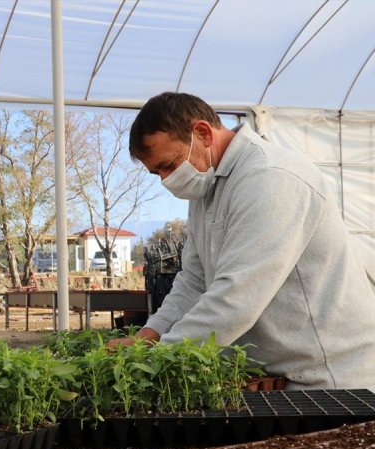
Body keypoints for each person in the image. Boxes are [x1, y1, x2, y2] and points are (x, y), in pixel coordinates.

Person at [109, 92, 374, 390]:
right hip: (279, 378)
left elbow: (238, 297)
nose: (166, 180)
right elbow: (194, 281)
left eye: (169, 165)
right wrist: (150, 335)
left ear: (203, 133)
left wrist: (158, 358)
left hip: (330, 379)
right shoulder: (206, 188)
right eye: (157, 172)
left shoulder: (269, 177)